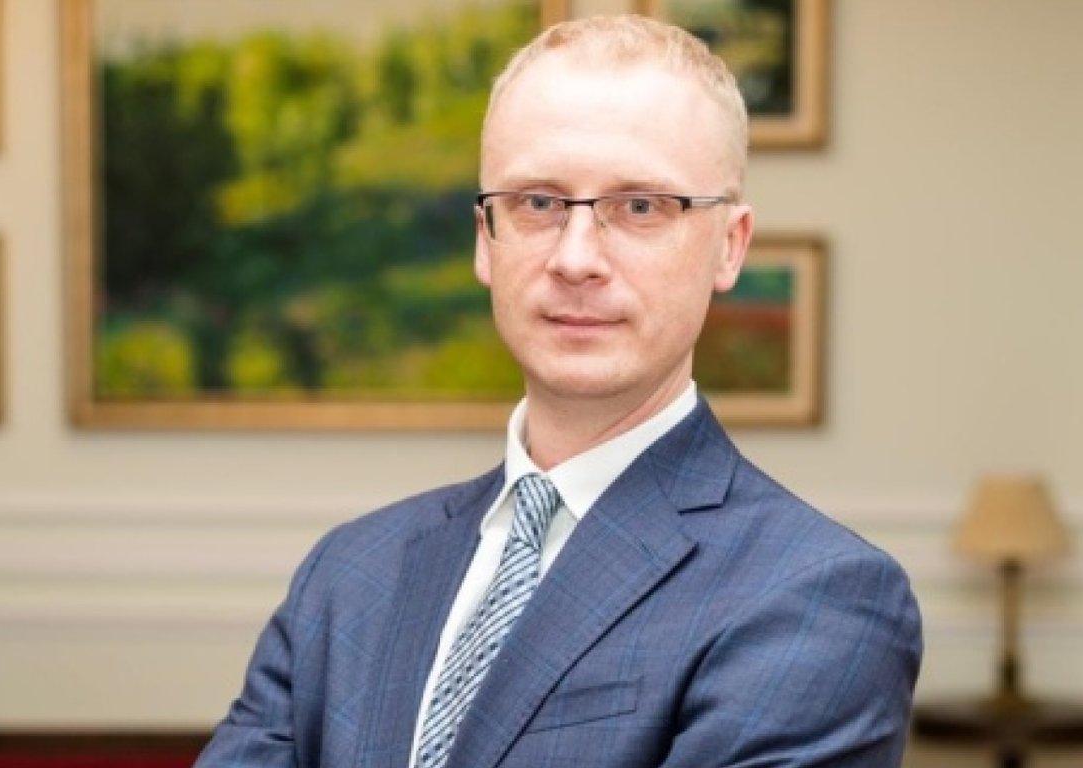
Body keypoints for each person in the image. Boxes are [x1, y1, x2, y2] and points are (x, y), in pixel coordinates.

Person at [195, 14, 921, 768]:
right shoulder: (348, 573)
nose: (576, 259)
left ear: (729, 247)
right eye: (538, 203)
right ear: (486, 238)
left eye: (640, 206)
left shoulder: (817, 597)